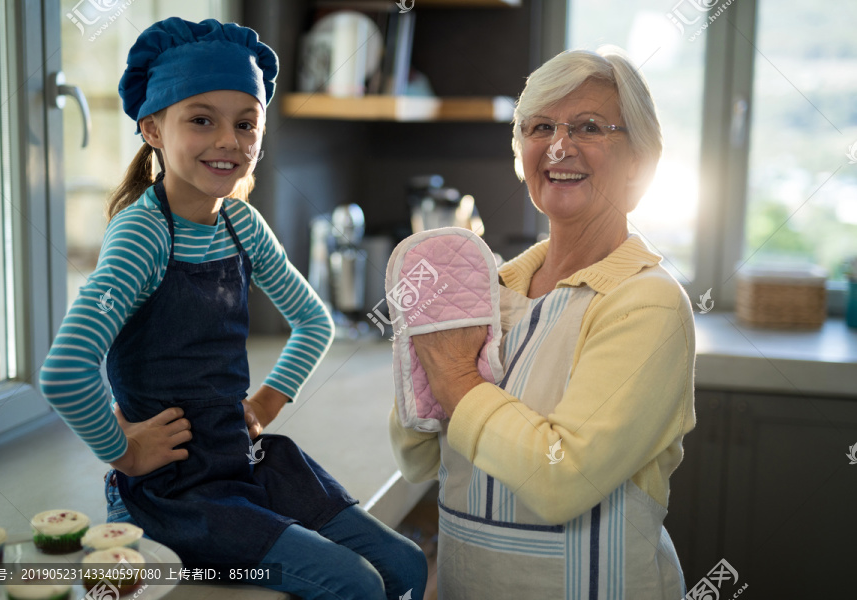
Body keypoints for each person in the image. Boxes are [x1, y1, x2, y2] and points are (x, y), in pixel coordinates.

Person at [40, 17, 425, 600]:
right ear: (152, 128)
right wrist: (124, 451)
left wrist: (264, 404)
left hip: (241, 459)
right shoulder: (144, 235)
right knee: (356, 586)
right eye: (201, 119)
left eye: (246, 123)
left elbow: (314, 321)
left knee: (407, 565)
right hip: (176, 492)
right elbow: (65, 369)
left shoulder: (241, 224)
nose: (229, 140)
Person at [389, 46, 696, 599]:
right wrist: (418, 368)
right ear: (520, 152)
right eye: (541, 126)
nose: (559, 146)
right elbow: (417, 458)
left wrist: (455, 379)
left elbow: (562, 479)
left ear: (639, 163)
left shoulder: (648, 304)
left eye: (589, 127)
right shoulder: (488, 288)